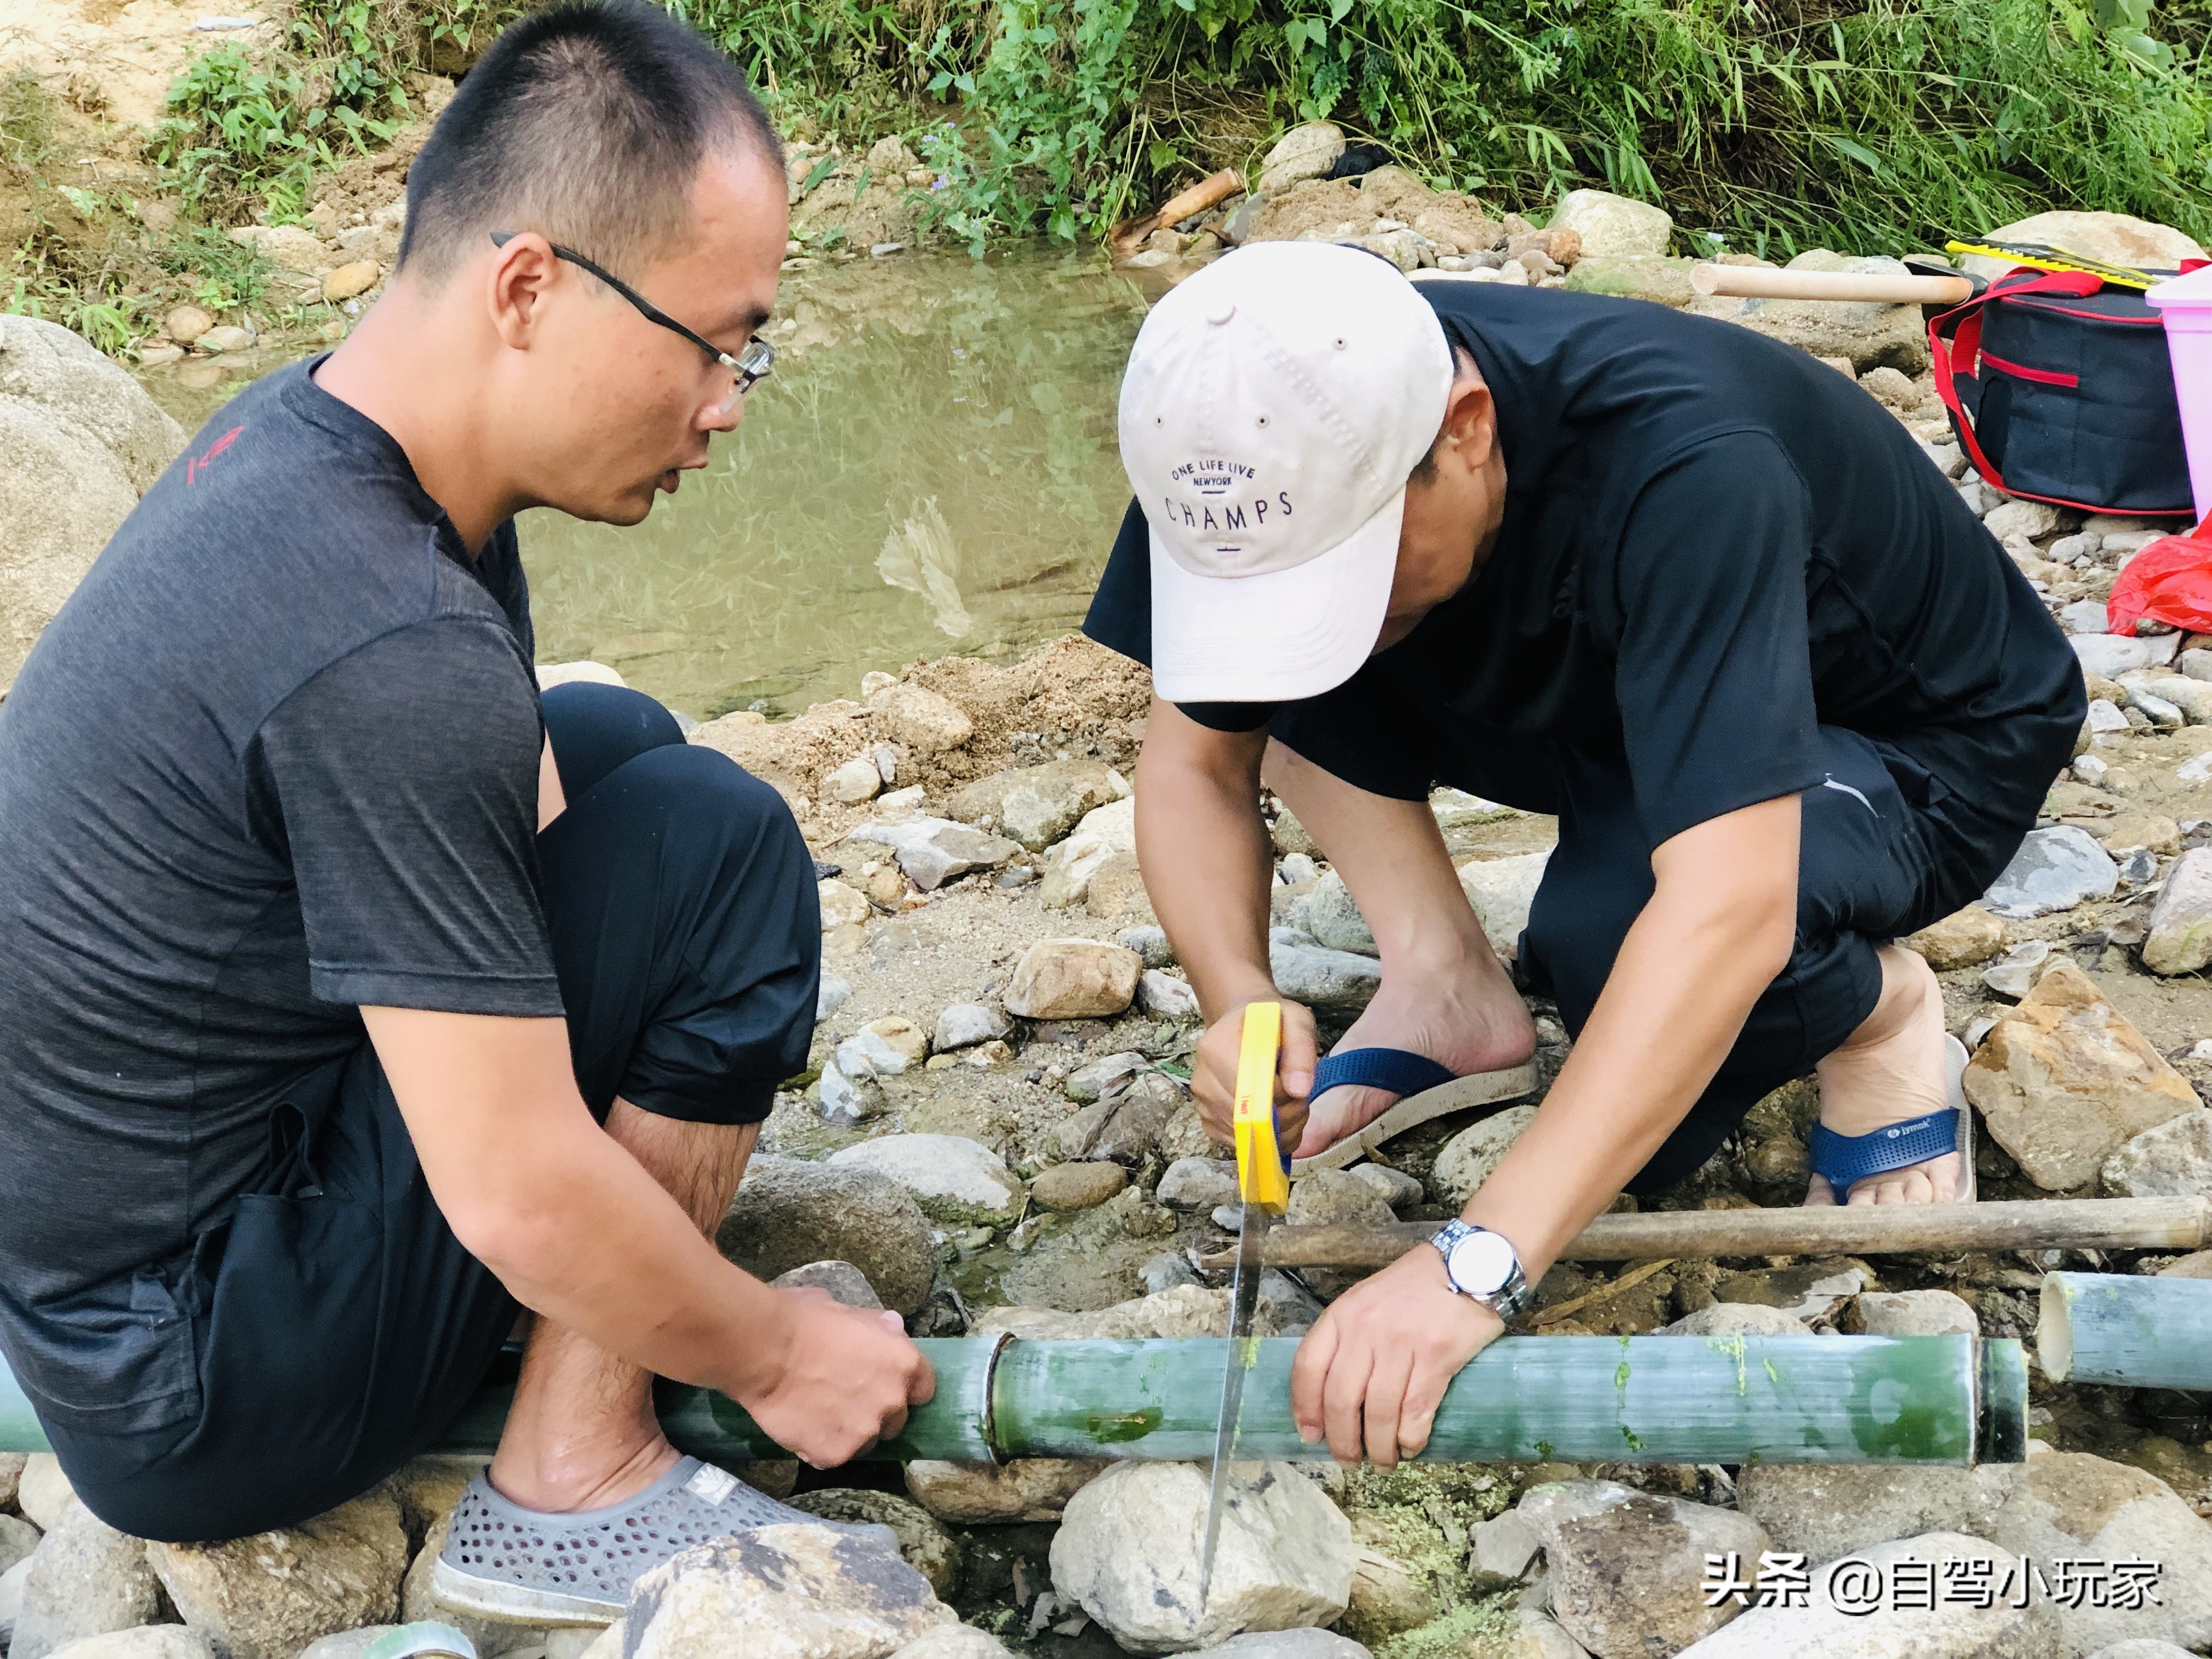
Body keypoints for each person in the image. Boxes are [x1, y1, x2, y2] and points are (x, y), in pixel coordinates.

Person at [0, 0, 930, 1623]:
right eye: (719, 343)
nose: (732, 401)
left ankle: (544, 1323)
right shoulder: (383, 634)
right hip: (191, 1379)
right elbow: (505, 1183)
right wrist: (775, 1353)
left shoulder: (323, 446)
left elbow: (539, 810)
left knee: (617, 743)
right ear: (529, 288)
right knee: (718, 852)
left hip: (106, 1274)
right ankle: (571, 1475)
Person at [1082, 240, 2081, 1469]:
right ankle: (1440, 980)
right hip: (1621, 700)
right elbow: (1194, 761)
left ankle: (1877, 1017)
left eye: (1357, 566)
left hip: (1906, 738)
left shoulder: (1686, 464)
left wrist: (1473, 1264)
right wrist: (1237, 994)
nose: (1327, 608)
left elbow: (1723, 912)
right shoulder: (1247, 430)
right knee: (1272, 661)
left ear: (1465, 428)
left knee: (1613, 945)